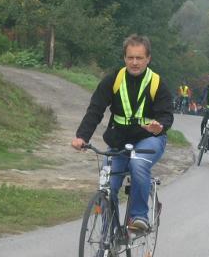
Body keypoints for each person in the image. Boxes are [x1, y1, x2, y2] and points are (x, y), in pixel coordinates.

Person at [71, 34, 174, 231]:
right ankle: (109, 234)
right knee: (108, 183)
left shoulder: (157, 83)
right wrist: (82, 136)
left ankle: (138, 217)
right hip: (119, 139)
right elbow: (95, 109)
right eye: (130, 57)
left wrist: (160, 126)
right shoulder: (113, 80)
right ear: (124, 58)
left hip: (149, 139)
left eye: (139, 58)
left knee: (138, 164)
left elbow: (166, 114)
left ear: (148, 59)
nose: (134, 62)